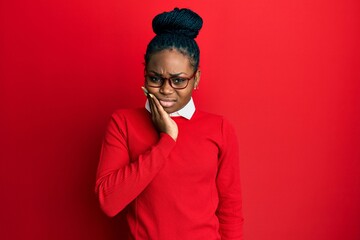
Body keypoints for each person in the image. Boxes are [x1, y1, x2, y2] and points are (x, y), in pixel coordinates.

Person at [95, 7, 243, 240]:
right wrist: (167, 139)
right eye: (155, 78)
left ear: (196, 79)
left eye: (178, 81)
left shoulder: (220, 128)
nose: (165, 90)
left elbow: (230, 210)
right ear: (145, 73)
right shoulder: (123, 123)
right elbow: (109, 201)